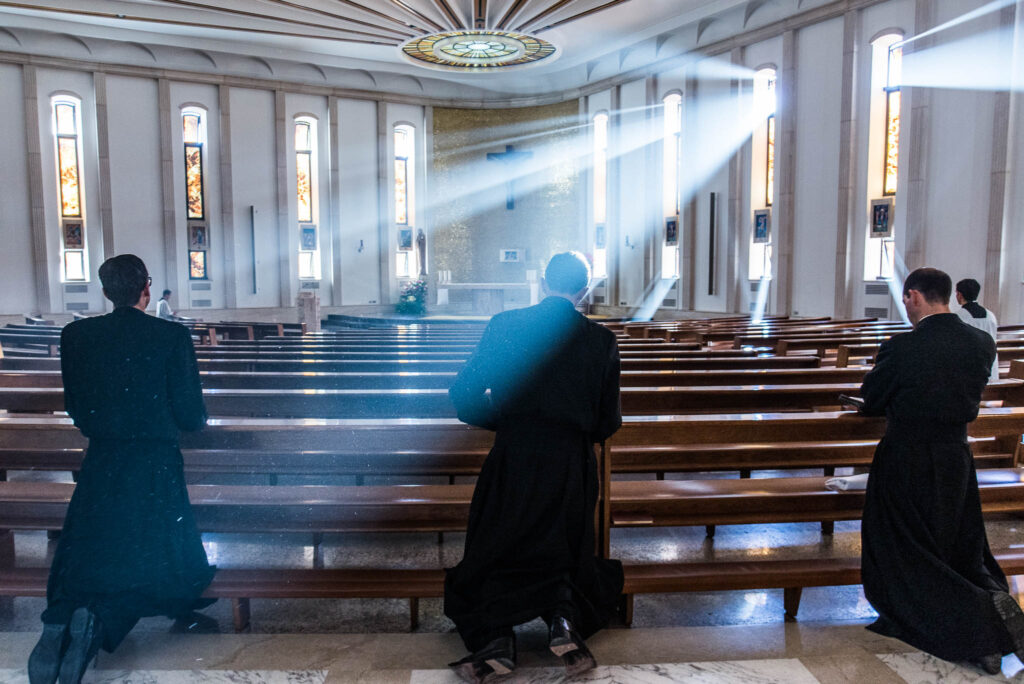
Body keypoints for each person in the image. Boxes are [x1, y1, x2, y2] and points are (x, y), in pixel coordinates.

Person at [28, 255, 215, 684]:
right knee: (152, 559)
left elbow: (77, 408)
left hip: (102, 461)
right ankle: (99, 622)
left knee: (95, 546)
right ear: (146, 288)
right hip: (155, 465)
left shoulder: (76, 335)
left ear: (105, 290)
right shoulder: (170, 336)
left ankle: (60, 619)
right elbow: (191, 415)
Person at [444, 251, 623, 683]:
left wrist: (502, 421)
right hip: (569, 463)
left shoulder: (505, 325)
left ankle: (497, 636)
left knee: (500, 541)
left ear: (543, 282)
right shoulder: (600, 340)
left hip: (515, 455)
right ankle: (563, 619)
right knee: (563, 542)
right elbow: (607, 421)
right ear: (584, 290)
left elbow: (463, 393)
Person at [858, 267, 1024, 674]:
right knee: (955, 543)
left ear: (914, 296)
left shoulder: (902, 346)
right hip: (955, 457)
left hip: (906, 456)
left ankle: (977, 626)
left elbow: (874, 397)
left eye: (905, 299)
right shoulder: (981, 341)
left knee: (905, 548)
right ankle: (984, 615)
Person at [955, 278, 999, 383]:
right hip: (990, 364)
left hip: (969, 367)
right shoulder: (990, 315)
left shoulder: (959, 316)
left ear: (960, 295)